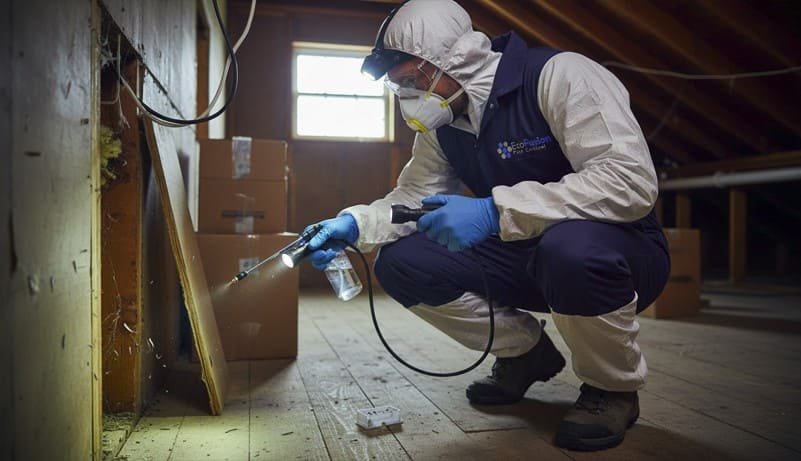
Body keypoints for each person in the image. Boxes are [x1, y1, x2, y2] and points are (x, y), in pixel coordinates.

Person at [305, 0, 670, 451]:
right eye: (396, 87)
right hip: (524, 252)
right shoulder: (443, 122)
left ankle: (611, 389)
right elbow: (412, 198)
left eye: (409, 80)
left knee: (569, 250)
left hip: (618, 253)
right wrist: (353, 223)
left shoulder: (561, 75)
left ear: (452, 60)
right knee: (404, 263)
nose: (405, 97)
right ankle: (524, 354)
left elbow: (627, 182)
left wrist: (493, 211)